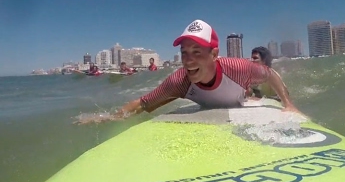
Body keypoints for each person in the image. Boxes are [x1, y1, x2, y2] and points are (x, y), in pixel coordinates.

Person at [116, 19, 304, 119]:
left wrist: (289, 104)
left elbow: (270, 74)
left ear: (214, 55)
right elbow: (142, 103)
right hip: (214, 95)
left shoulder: (237, 68)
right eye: (184, 53)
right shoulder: (180, 81)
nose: (188, 61)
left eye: (197, 52)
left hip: (238, 92)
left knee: (249, 92)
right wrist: (110, 118)